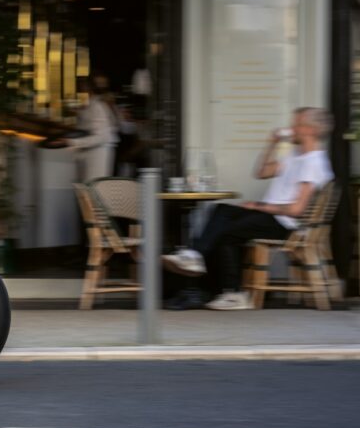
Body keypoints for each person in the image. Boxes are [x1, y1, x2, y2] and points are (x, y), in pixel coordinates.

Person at [161, 107, 334, 310]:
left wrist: (261, 206)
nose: (291, 128)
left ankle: (233, 293)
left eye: (296, 124)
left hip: (285, 224)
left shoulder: (314, 163)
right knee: (220, 211)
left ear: (309, 130)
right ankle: (195, 260)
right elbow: (261, 172)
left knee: (226, 233)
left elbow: (296, 210)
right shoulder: (295, 156)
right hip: (271, 215)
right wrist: (272, 144)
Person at [69, 74, 119, 182]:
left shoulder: (98, 106)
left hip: (99, 152)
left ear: (89, 88)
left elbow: (102, 136)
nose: (78, 91)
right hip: (90, 150)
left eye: (80, 88)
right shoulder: (89, 106)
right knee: (86, 190)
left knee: (94, 189)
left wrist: (73, 142)